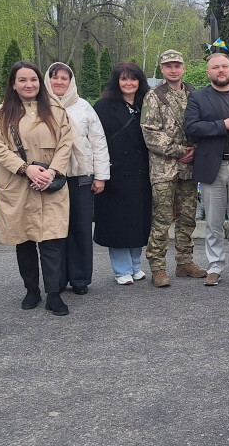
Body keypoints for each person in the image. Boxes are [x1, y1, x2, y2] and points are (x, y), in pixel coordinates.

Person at [0, 62, 74, 316]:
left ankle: (54, 293)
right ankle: (31, 290)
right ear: (13, 84)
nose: (29, 85)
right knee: (23, 240)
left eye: (33, 79)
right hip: (17, 184)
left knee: (52, 241)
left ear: (40, 82)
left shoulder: (56, 111)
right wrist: (26, 168)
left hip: (50, 184)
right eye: (22, 80)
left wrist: (52, 171)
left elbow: (66, 143)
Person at [185, 52, 229, 286]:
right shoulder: (197, 97)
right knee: (213, 222)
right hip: (213, 167)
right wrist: (223, 125)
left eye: (224, 66)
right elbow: (191, 127)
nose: (221, 70)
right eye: (215, 67)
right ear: (208, 72)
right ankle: (215, 266)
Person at [141, 49, 205, 287]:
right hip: (164, 168)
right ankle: (157, 267)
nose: (173, 69)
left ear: (183, 67)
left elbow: (201, 124)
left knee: (188, 217)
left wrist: (196, 151)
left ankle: (184, 262)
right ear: (162, 69)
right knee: (162, 218)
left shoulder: (193, 93)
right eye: (168, 66)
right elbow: (150, 133)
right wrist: (181, 152)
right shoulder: (153, 96)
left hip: (189, 168)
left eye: (177, 65)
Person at [45, 62, 109, 295]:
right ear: (48, 80)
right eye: (55, 77)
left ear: (71, 82)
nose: (60, 82)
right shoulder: (40, 106)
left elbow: (98, 142)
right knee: (56, 230)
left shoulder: (84, 108)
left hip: (80, 176)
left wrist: (100, 176)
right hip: (51, 177)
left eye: (65, 78)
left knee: (81, 228)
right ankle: (57, 279)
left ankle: (80, 278)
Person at [94, 63, 153, 285]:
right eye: (124, 79)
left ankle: (136, 266)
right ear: (116, 82)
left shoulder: (146, 104)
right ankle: (122, 270)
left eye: (133, 79)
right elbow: (95, 140)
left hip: (141, 172)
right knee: (118, 222)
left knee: (137, 221)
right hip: (114, 172)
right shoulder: (103, 106)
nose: (129, 83)